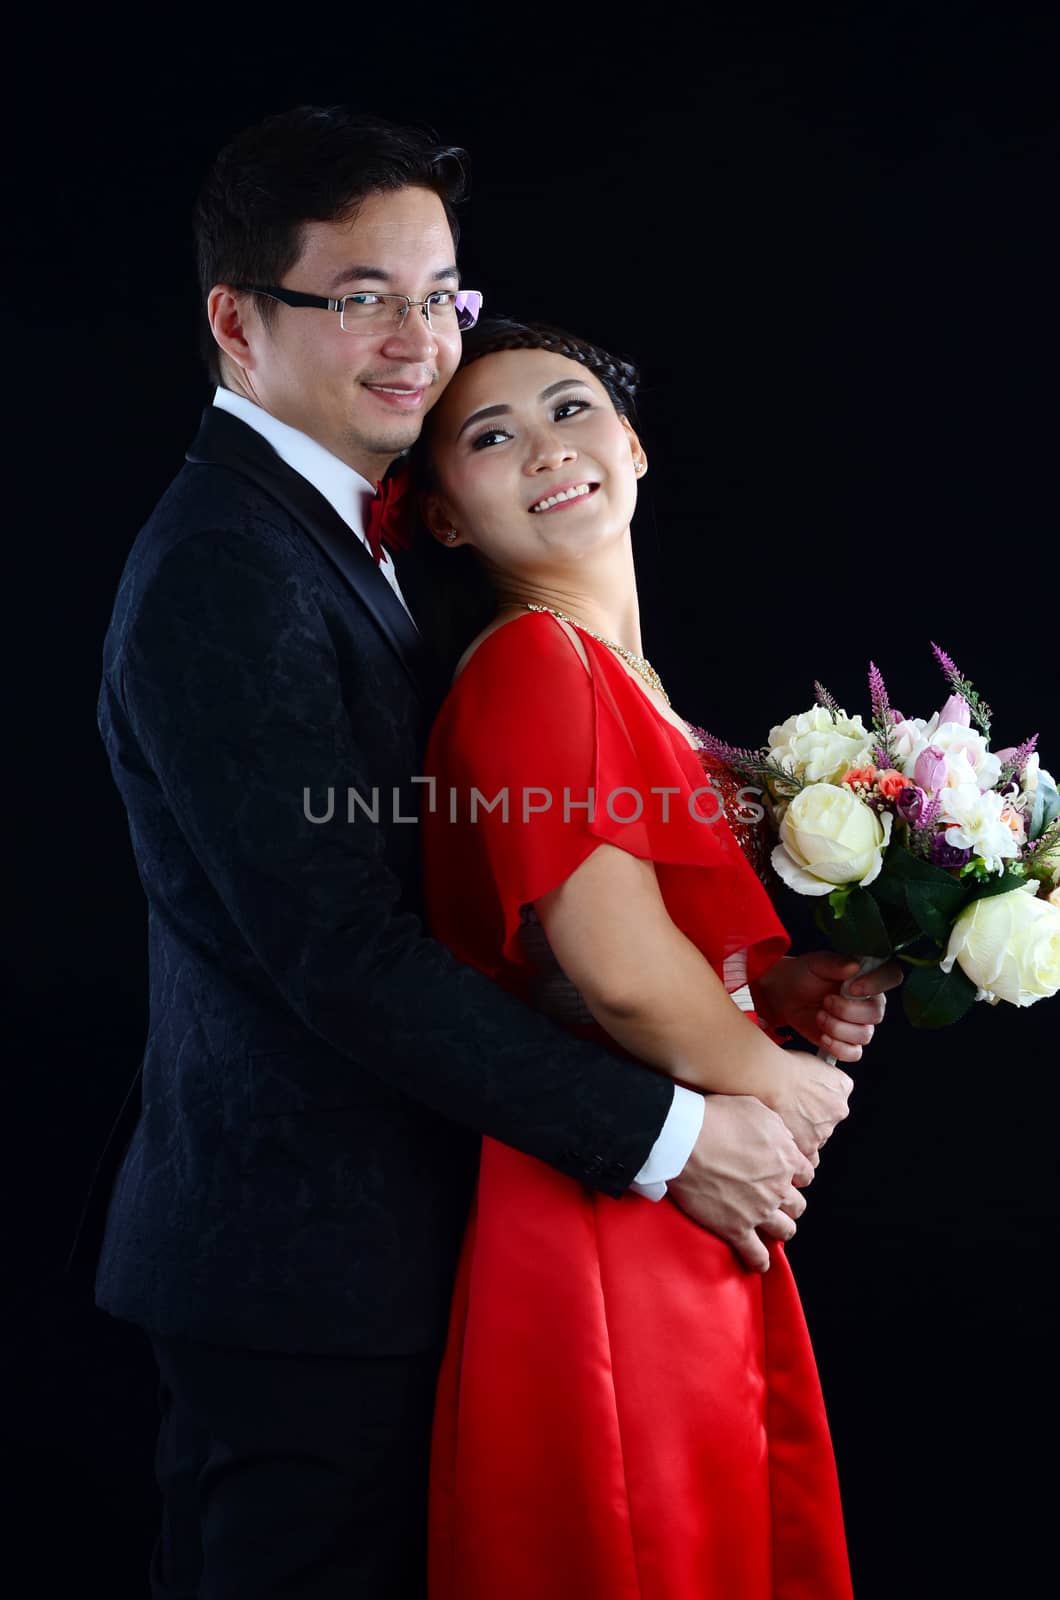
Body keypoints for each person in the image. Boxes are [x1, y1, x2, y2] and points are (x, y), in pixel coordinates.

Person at [93, 105, 893, 1598]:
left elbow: (487, 914)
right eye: (359, 299)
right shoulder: (225, 564)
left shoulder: (345, 544)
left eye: (436, 294)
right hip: (301, 1270)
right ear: (235, 322)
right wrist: (685, 1134)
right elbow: (342, 953)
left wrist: (768, 1000)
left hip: (418, 1244)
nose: (416, 340)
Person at [416, 318, 886, 1598]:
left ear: (630, 443)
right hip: (601, 1190)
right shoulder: (529, 661)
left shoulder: (625, 680)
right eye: (490, 437)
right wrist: (784, 1088)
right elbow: (614, 974)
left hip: (669, 1173)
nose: (547, 450)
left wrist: (780, 987)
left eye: (572, 412)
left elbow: (626, 935)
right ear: (446, 516)